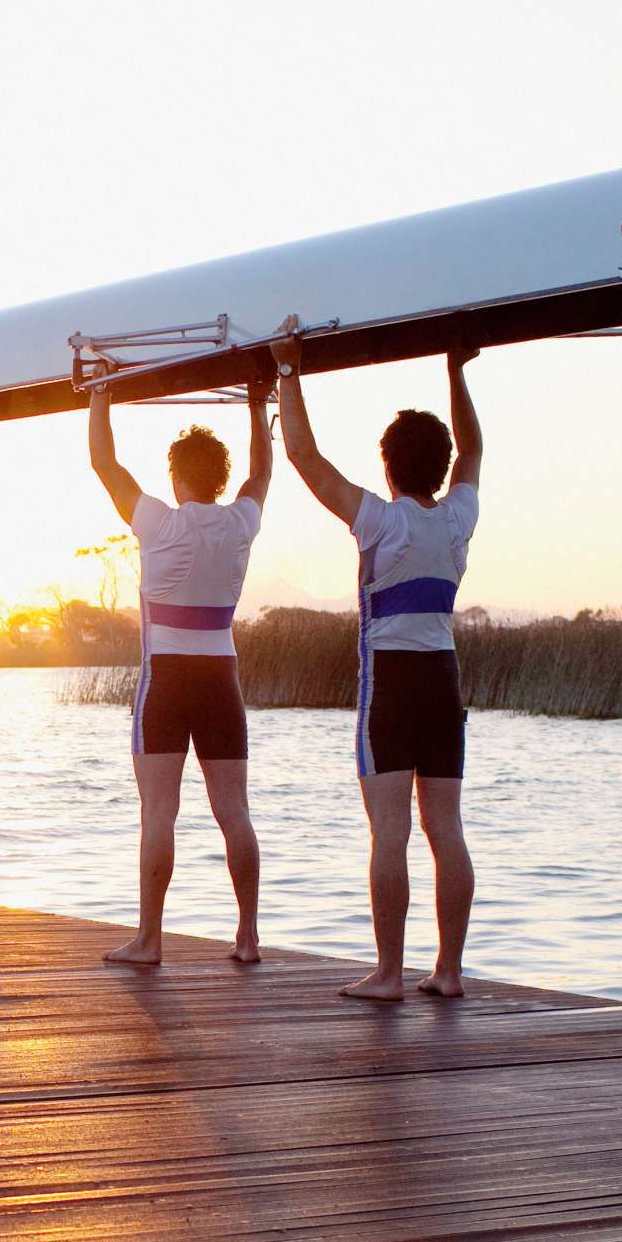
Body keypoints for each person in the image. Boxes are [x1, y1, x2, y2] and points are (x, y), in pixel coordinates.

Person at [272, 319, 482, 1002]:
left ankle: (389, 974)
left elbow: (303, 456)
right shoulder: (457, 518)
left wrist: (287, 368)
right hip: (444, 682)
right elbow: (474, 448)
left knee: (389, 833)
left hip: (390, 686)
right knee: (445, 828)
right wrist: (457, 370)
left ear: (388, 467)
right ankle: (447, 971)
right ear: (440, 467)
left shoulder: (382, 521)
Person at [84, 377, 272, 966]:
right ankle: (247, 937)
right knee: (234, 811)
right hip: (222, 679)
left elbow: (102, 461)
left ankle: (150, 939)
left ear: (176, 477)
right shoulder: (241, 522)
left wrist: (99, 395)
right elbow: (261, 476)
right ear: (219, 478)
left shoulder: (159, 522)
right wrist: (257, 405)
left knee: (159, 811)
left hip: (165, 680)